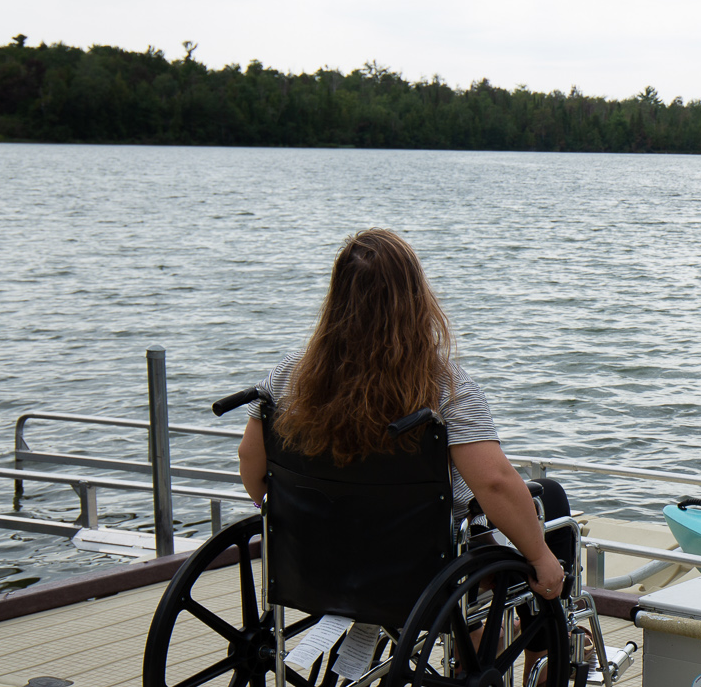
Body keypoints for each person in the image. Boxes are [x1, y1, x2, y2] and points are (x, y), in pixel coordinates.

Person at [235, 227, 565, 600]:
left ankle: (474, 632)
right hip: (422, 563)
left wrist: (297, 519)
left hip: (321, 552)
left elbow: (251, 460)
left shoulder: (288, 375)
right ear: (416, 298)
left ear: (337, 297)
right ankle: (541, 650)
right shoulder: (446, 387)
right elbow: (494, 482)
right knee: (547, 498)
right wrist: (540, 557)